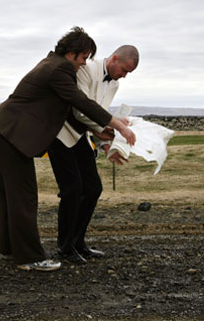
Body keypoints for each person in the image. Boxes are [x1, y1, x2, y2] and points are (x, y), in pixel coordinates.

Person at [0, 27, 135, 272]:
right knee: (24, 196)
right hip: (13, 133)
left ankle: (9, 247)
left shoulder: (52, 63)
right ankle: (29, 258)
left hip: (7, 130)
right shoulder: (60, 69)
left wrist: (103, 135)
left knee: (10, 195)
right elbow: (80, 102)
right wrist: (118, 125)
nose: (84, 64)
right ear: (72, 53)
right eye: (83, 58)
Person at [47, 45, 139, 264]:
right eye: (124, 70)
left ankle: (78, 242)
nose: (124, 76)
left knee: (93, 188)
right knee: (72, 189)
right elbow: (81, 110)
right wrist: (116, 127)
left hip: (80, 135)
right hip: (60, 132)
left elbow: (97, 113)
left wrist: (104, 144)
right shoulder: (87, 69)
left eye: (128, 74)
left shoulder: (114, 83)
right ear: (114, 58)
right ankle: (65, 246)